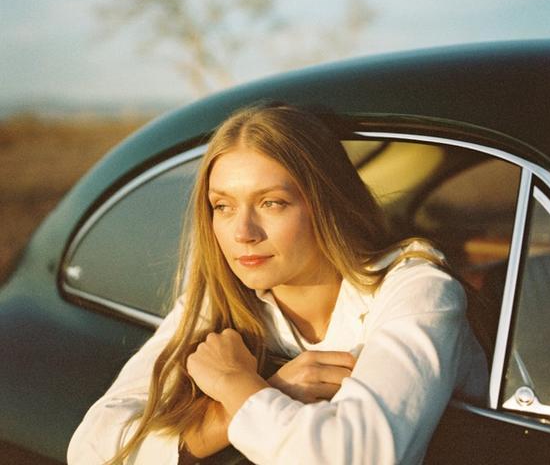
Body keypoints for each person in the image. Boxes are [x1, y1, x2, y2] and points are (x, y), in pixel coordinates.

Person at [67, 102, 488, 465]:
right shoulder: (222, 301)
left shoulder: (416, 289)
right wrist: (250, 402)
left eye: (272, 203)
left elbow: (356, 455)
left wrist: (236, 385)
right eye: (223, 206)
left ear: (326, 204)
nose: (243, 232)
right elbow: (90, 449)